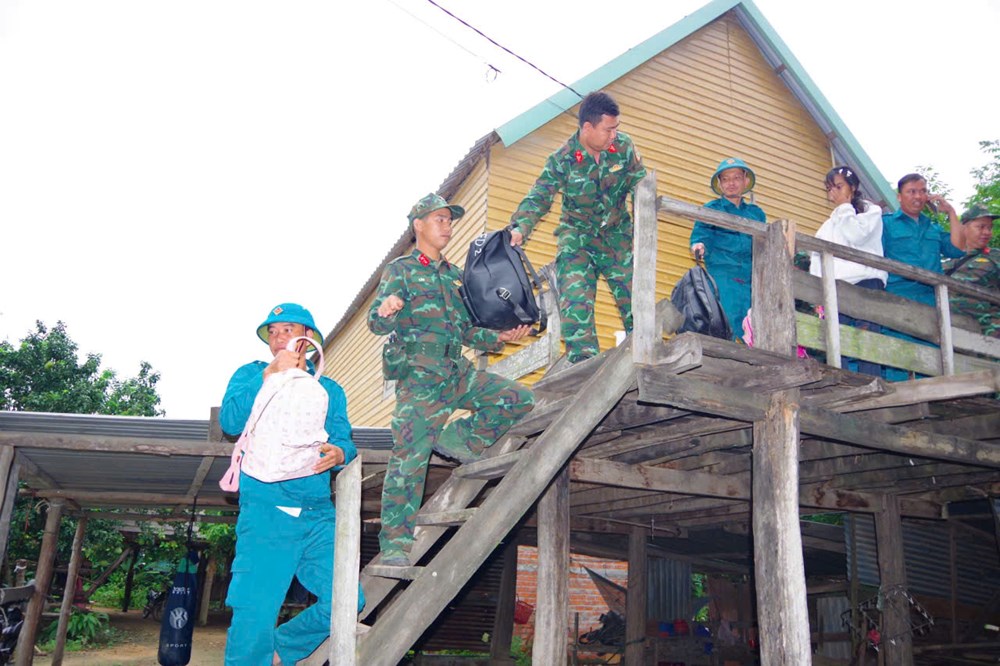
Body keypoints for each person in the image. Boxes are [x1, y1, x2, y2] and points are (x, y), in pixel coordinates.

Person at [370, 193, 535, 567]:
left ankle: (456, 439)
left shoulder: (454, 276)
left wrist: (501, 338)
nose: (447, 226)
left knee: (518, 399)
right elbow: (376, 325)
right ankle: (396, 544)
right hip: (420, 379)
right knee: (408, 460)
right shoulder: (400, 270)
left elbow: (467, 331)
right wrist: (387, 309)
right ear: (419, 225)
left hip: (455, 373)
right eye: (440, 219)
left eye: (449, 220)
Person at [219, 303, 363, 666]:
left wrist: (339, 453)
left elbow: (344, 439)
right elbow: (231, 422)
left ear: (308, 337)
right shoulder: (251, 373)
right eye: (274, 331)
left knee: (348, 599)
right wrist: (270, 373)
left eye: (289, 329)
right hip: (267, 506)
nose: (281, 337)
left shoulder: (327, 387)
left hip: (316, 511)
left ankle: (283, 647)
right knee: (254, 611)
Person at [508, 90, 646, 363]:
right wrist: (521, 227)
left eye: (616, 128)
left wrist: (643, 227)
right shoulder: (563, 159)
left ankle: (642, 353)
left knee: (635, 296)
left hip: (617, 234)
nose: (614, 135)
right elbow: (540, 195)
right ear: (587, 127)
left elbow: (642, 187)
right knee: (575, 296)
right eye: (608, 130)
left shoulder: (624, 148)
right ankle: (583, 363)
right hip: (578, 237)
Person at [881, 173, 967, 380]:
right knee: (898, 354)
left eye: (923, 191)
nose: (918, 196)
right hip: (898, 297)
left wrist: (952, 213)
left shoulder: (933, 227)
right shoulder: (886, 224)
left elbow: (957, 249)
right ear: (899, 197)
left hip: (931, 299)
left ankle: (931, 400)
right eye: (912, 191)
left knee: (931, 353)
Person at [808, 165, 887, 376]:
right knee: (836, 337)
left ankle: (871, 380)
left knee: (867, 336)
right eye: (830, 188)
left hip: (866, 282)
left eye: (839, 186)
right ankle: (839, 378)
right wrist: (816, 293)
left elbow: (855, 235)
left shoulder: (871, 212)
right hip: (835, 287)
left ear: (853, 186)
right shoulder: (828, 224)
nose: (834, 193)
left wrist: (844, 207)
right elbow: (817, 257)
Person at [689, 157, 767, 339]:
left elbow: (765, 246)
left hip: (751, 282)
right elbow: (701, 235)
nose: (731, 183)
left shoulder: (756, 213)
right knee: (725, 327)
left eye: (736, 178)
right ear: (720, 183)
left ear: (745, 181)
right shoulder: (712, 208)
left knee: (755, 331)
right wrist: (698, 245)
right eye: (725, 179)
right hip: (722, 278)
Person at [943, 203, 999, 338]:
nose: (987, 232)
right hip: (950, 329)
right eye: (981, 227)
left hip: (990, 331)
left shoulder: (995, 256)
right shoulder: (949, 263)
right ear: (965, 228)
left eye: (989, 228)